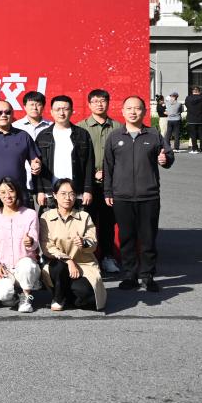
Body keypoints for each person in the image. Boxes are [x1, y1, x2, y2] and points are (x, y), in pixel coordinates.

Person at [104, 96, 174, 292]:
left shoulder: (154, 135)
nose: (133, 112)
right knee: (127, 238)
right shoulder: (115, 136)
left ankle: (147, 275)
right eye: (129, 108)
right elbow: (108, 167)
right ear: (123, 111)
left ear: (144, 111)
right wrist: (108, 191)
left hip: (148, 196)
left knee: (148, 238)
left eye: (137, 108)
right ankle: (130, 275)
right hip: (122, 197)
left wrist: (165, 160)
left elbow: (168, 155)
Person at [40, 179, 107, 311]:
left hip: (83, 265)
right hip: (57, 265)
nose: (67, 198)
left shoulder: (84, 216)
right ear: (54, 195)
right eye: (63, 194)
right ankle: (58, 297)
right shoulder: (46, 217)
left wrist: (84, 242)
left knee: (88, 297)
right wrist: (68, 261)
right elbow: (47, 247)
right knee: (58, 266)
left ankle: (67, 295)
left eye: (71, 194)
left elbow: (93, 242)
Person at [77, 88, 121, 274]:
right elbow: (77, 158)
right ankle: (87, 258)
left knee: (108, 222)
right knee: (85, 222)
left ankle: (108, 257)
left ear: (108, 103)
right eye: (95, 101)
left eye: (103, 101)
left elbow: (124, 157)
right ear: (89, 104)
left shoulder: (118, 127)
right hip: (87, 184)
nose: (99, 104)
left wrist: (110, 173)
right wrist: (93, 173)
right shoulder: (80, 128)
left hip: (111, 185)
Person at [0, 178, 42, 313]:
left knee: (27, 265)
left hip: (24, 264)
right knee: (3, 296)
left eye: (11, 191)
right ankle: (13, 296)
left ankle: (26, 297)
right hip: (4, 268)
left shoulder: (30, 214)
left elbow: (34, 240)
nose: (7, 195)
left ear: (17, 192)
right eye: (3, 192)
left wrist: (30, 241)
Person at [35, 96, 95, 210]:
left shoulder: (82, 134)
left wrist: (88, 190)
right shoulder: (43, 136)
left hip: (76, 193)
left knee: (77, 221)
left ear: (72, 111)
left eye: (65, 109)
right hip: (50, 194)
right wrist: (40, 191)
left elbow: (89, 164)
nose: (61, 113)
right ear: (51, 112)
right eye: (57, 109)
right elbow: (37, 166)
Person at [0, 100, 41, 205]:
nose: (3, 115)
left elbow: (34, 159)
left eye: (7, 112)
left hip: (18, 195)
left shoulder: (23, 135)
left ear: (12, 114)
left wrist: (36, 164)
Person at [12, 91, 51, 206]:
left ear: (43, 106)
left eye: (38, 104)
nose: (35, 107)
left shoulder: (51, 127)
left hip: (46, 181)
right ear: (24, 106)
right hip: (21, 182)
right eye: (31, 104)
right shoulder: (15, 127)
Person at [185, 86, 202, 154]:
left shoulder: (188, 98)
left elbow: (187, 106)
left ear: (192, 91)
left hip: (191, 118)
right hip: (200, 118)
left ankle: (195, 149)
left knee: (193, 135)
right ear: (199, 91)